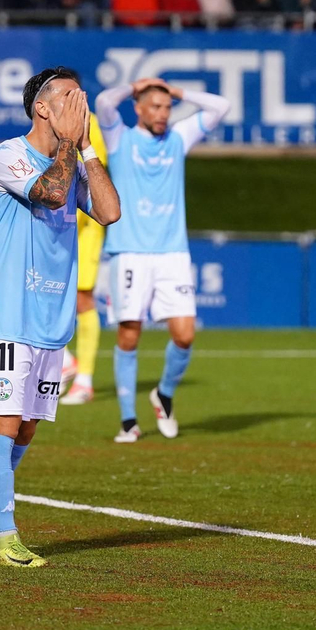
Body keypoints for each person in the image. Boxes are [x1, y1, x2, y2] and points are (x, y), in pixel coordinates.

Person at [0, 68, 120, 567]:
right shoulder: (6, 156)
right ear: (42, 107)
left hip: (50, 318)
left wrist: (86, 149)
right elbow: (50, 192)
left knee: (24, 431)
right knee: (1, 425)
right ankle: (6, 538)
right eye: (69, 96)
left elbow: (108, 212)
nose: (80, 102)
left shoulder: (75, 159)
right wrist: (69, 145)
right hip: (6, 314)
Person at [95, 77, 230, 441]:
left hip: (172, 253)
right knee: (129, 334)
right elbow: (105, 102)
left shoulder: (178, 138)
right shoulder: (120, 138)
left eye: (167, 108)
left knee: (185, 335)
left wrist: (179, 92)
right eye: (155, 106)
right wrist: (135, 85)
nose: (163, 114)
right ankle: (128, 421)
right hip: (130, 253)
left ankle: (164, 394)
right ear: (138, 108)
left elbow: (221, 107)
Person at [61, 102, 109, 405]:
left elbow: (89, 178)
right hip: (61, 227)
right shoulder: (56, 123)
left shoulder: (87, 123)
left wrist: (66, 222)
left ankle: (85, 380)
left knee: (82, 299)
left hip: (83, 230)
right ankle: (65, 361)